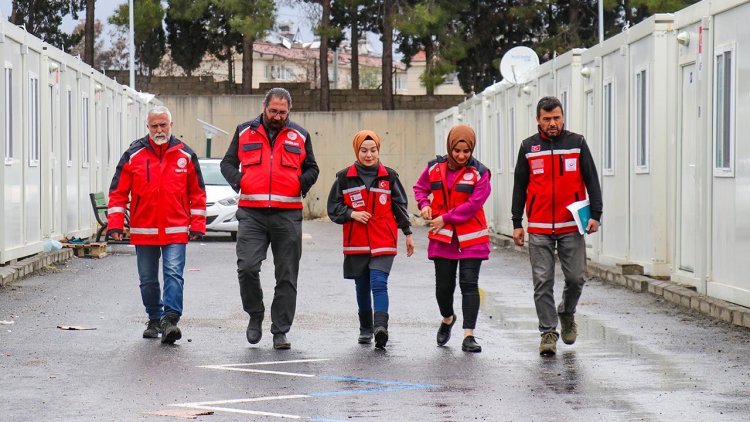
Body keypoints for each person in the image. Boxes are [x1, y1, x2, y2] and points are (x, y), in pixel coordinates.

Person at [220, 87, 319, 350]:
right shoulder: (244, 131)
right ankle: (255, 313)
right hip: (252, 214)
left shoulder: (300, 135)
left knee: (286, 275)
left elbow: (313, 168)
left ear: (289, 111)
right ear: (264, 107)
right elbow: (227, 163)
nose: (277, 116)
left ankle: (280, 330)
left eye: (282, 112)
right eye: (273, 111)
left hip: (287, 215)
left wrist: (299, 183)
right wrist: (241, 182)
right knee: (248, 267)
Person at [511, 96, 603, 356]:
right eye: (547, 119)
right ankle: (548, 333)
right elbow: (520, 185)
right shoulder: (528, 147)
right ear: (538, 120)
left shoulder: (577, 143)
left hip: (571, 224)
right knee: (542, 281)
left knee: (576, 277)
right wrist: (517, 222)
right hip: (539, 226)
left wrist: (596, 213)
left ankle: (567, 312)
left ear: (563, 117)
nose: (553, 123)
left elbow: (591, 179)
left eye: (557, 118)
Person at [108, 105, 206, 344]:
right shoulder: (133, 155)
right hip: (144, 230)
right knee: (148, 279)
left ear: (171, 126)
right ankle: (154, 318)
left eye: (163, 125)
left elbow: (198, 193)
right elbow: (118, 192)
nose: (159, 130)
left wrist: (198, 225)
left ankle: (170, 320)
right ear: (147, 127)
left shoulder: (185, 155)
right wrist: (115, 225)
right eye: (154, 126)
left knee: (173, 274)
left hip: (176, 229)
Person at [327, 130, 415, 349]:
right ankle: (365, 328)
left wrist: (408, 233)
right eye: (364, 151)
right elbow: (333, 208)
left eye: (373, 150)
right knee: (362, 287)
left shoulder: (390, 176)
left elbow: (400, 206)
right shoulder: (343, 177)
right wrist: (351, 214)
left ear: (378, 150)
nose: (369, 155)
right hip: (356, 242)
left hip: (383, 240)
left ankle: (380, 328)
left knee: (378, 283)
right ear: (357, 151)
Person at [413, 124, 491, 353]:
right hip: (443, 238)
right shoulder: (434, 168)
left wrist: (445, 218)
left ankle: (469, 335)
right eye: (457, 151)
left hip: (471, 238)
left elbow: (474, 204)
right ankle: (448, 318)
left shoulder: (481, 172)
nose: (461, 156)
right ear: (449, 147)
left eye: (466, 151)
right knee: (443, 288)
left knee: (469, 284)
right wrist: (425, 205)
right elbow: (420, 188)